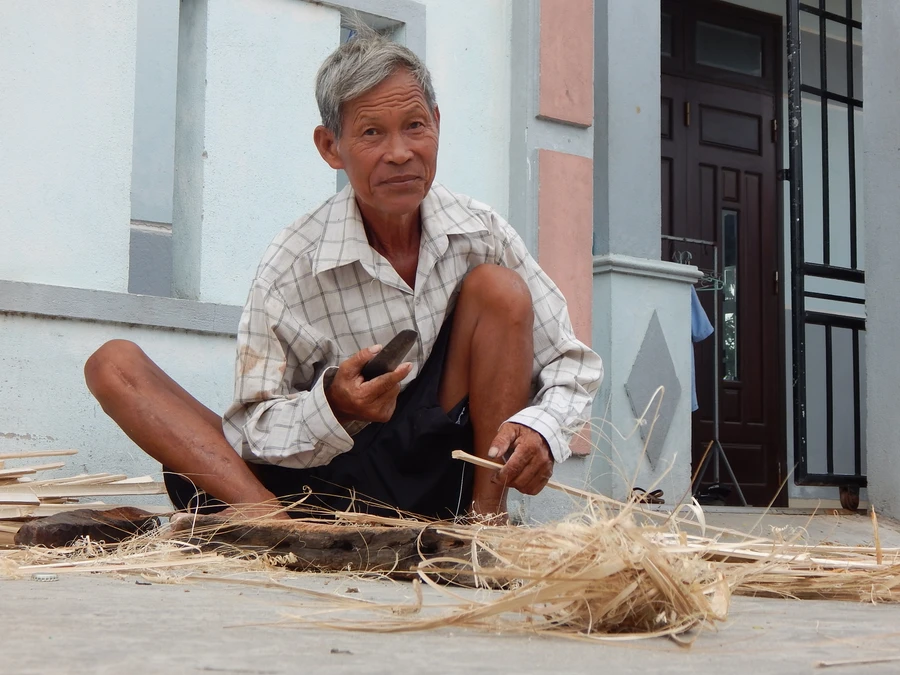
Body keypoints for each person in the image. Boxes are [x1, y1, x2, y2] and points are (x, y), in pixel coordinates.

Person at [84, 25, 602, 521]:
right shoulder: (294, 260)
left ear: (437, 125)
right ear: (331, 147)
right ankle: (274, 523)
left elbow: (570, 362)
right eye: (372, 133)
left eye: (415, 126)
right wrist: (332, 403)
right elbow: (252, 427)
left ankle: (485, 524)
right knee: (114, 364)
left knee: (500, 290)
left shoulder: (479, 231)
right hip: (312, 486)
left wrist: (541, 428)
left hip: (434, 476)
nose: (400, 153)